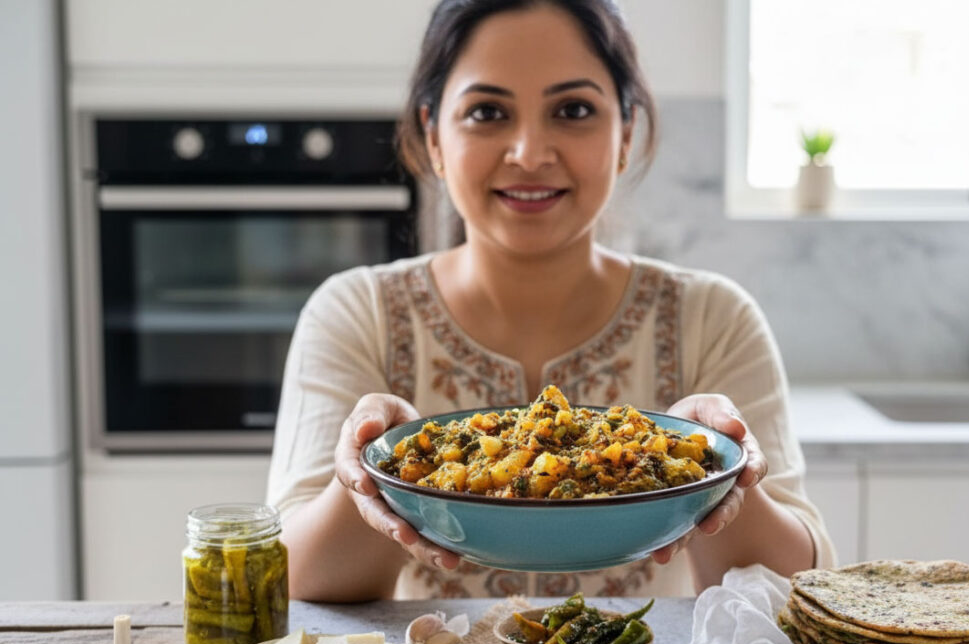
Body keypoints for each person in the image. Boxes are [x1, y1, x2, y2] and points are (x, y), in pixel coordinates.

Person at [267, 0, 835, 602]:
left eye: (573, 110)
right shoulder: (357, 312)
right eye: (488, 112)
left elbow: (797, 588)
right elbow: (289, 580)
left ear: (625, 134)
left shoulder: (714, 318)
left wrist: (720, 471)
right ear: (434, 137)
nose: (530, 153)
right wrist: (373, 470)